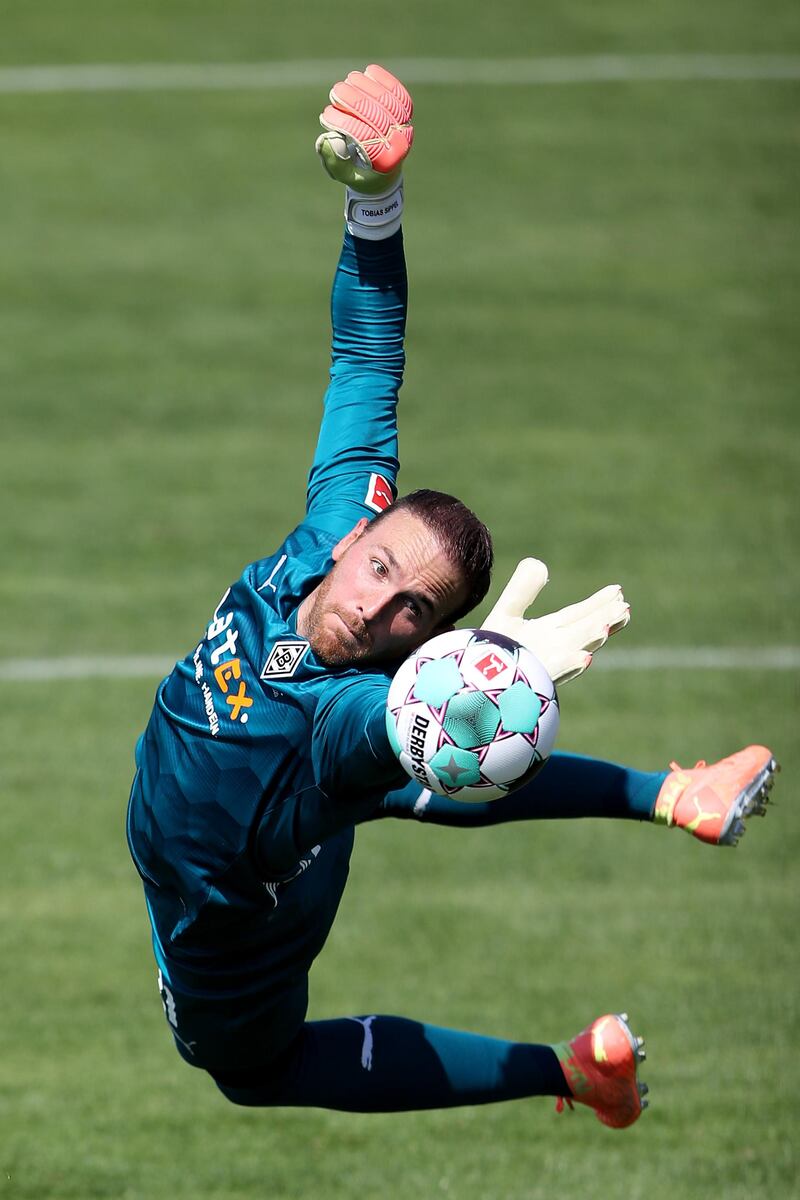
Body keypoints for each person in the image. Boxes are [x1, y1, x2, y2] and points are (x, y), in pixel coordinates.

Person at [126, 65, 777, 1130]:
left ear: (425, 641)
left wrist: (502, 675)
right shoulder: (331, 528)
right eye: (380, 568)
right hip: (291, 805)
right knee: (411, 781)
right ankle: (670, 796)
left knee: (254, 1068)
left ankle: (565, 1071)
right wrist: (372, 199)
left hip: (232, 912)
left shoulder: (348, 719)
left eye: (414, 616)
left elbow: (404, 718)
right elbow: (364, 354)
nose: (378, 608)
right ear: (358, 537)